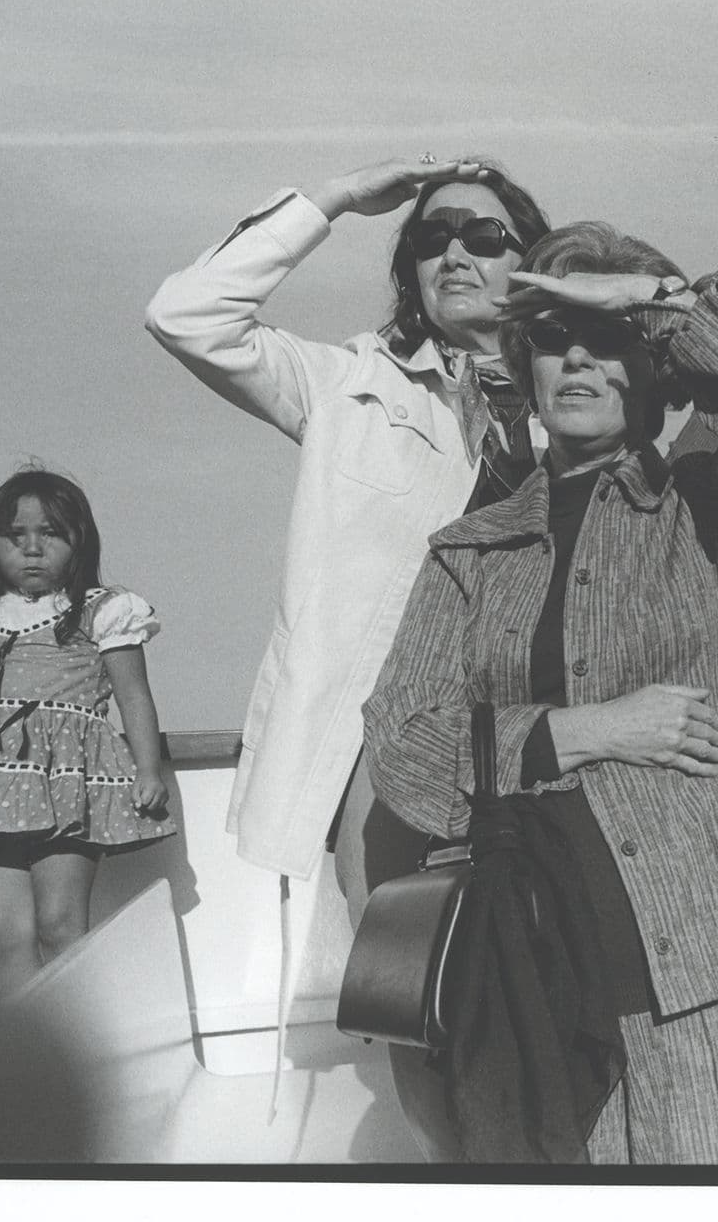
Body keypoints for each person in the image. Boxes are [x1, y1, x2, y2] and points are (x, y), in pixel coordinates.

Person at [362, 221, 718, 1164]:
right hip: (537, 976)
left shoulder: (716, 501)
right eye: (552, 337)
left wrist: (652, 300)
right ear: (525, 365)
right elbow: (401, 743)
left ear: (654, 368)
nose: (581, 359)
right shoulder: (468, 552)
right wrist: (581, 730)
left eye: (608, 339)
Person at [146, 156, 549, 899]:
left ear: (534, 266)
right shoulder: (349, 387)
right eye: (432, 237)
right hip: (406, 730)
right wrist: (337, 198)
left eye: (485, 235)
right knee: (401, 974)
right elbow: (186, 315)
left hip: (554, 721)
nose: (455, 252)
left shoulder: (585, 402)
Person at [0, 469, 175, 998]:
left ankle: (73, 1056)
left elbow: (134, 695)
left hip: (68, 780)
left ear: (79, 540)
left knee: (60, 924)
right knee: (4, 930)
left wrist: (148, 769)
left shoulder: (104, 610)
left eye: (50, 534)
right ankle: (18, 1059)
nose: (32, 549)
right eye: (15, 537)